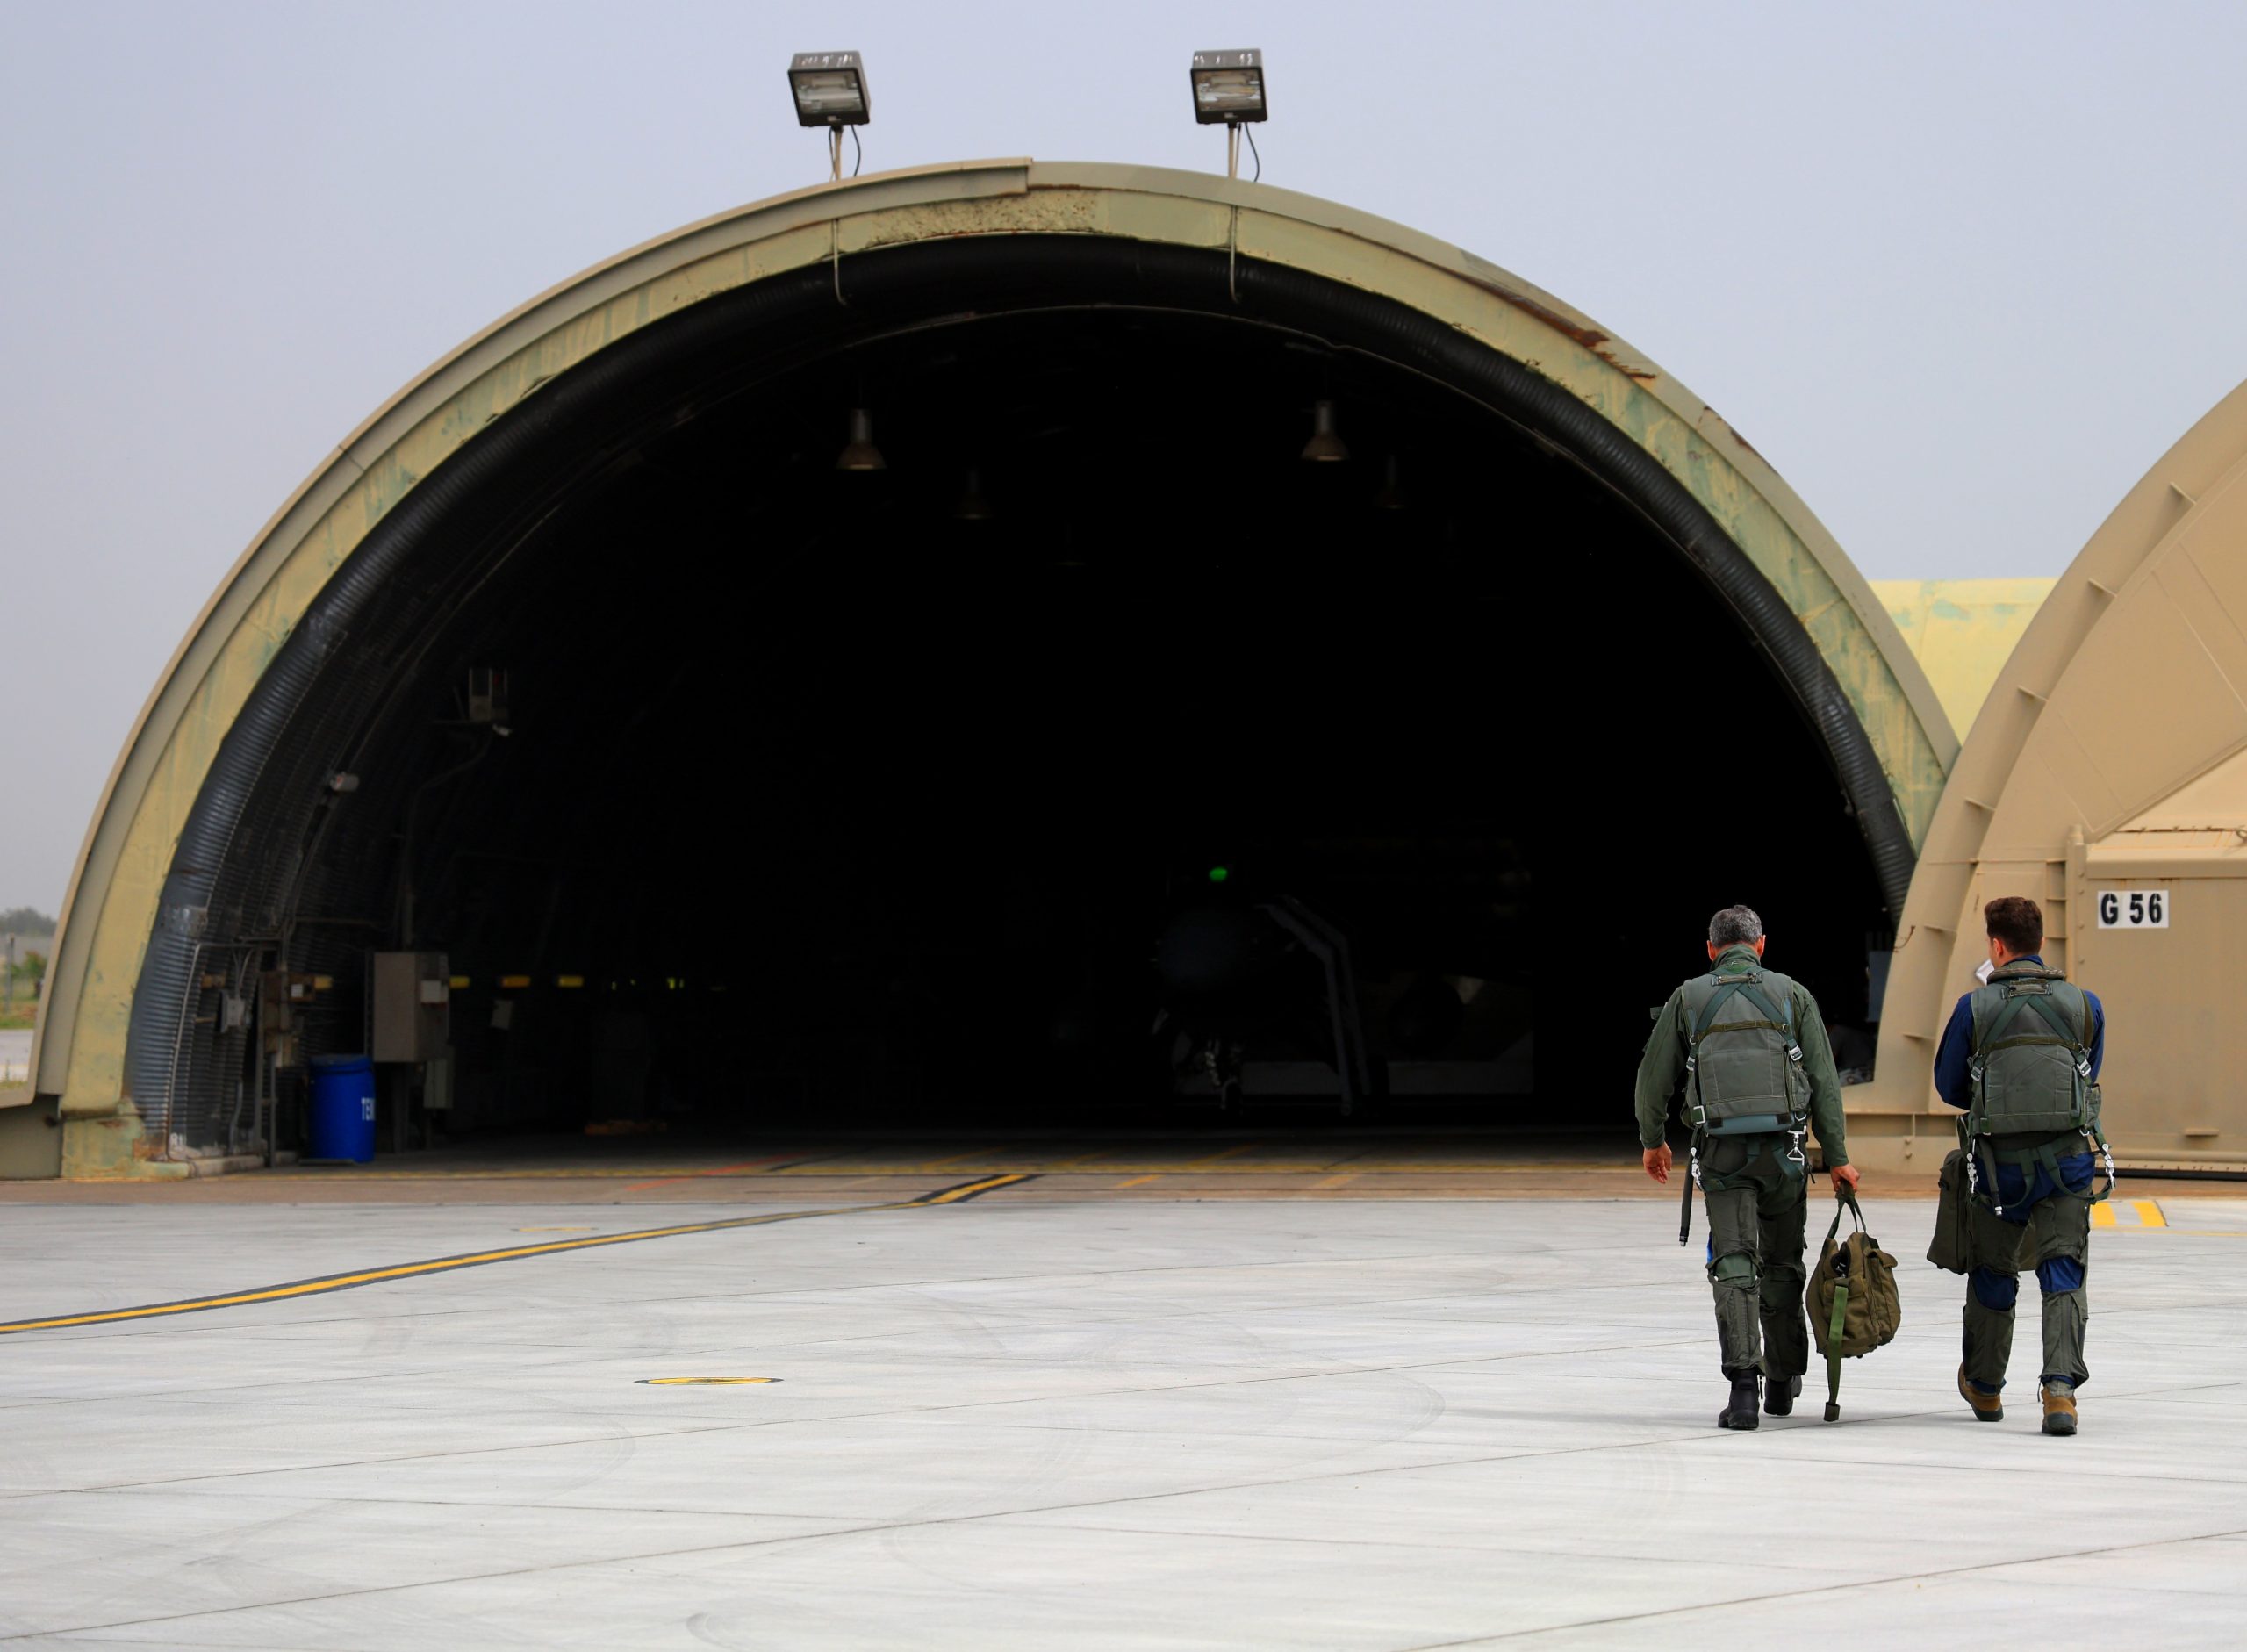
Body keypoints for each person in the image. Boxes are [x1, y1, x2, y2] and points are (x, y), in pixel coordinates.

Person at [1635, 905, 1860, 1429]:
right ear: (1761, 945)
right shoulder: (1793, 994)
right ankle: (1782, 1381)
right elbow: (1825, 1084)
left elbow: (1652, 1080)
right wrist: (1839, 1158)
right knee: (1782, 1264)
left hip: (1722, 1156)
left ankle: (1743, 1391)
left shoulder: (1688, 997)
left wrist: (1653, 1142)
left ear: (1710, 949)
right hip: (1785, 1154)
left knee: (1734, 1262)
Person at [1935, 895, 2106, 1437]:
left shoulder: (1973, 1008)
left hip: (1997, 1167)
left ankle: (1985, 1386)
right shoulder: (2085, 1005)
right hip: (2068, 1163)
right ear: (2041, 943)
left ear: (1997, 946)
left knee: (1993, 1269)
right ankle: (2060, 1393)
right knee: (2063, 1270)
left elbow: (1949, 1087)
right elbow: (2088, 1074)